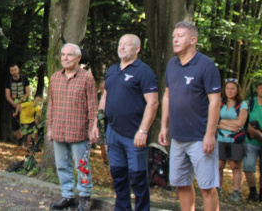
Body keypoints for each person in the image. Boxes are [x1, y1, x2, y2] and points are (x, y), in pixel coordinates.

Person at [158, 21, 221, 211]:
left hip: (200, 138)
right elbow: (167, 96)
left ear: (193, 40)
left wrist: (209, 134)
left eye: (180, 36)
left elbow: (215, 102)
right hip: (177, 137)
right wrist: (163, 126)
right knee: (182, 183)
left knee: (207, 186)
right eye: (173, 36)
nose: (175, 40)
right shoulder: (172, 64)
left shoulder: (206, 65)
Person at [99, 34, 159, 211]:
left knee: (138, 178)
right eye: (120, 44)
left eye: (127, 45)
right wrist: (98, 121)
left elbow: (153, 103)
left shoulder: (144, 72)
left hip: (135, 134)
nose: (122, 47)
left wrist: (143, 130)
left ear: (137, 49)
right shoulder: (112, 70)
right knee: (118, 175)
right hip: (113, 132)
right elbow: (105, 96)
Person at [47, 43, 99, 211]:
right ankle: (67, 194)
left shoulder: (87, 78)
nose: (66, 58)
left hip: (79, 130)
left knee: (82, 165)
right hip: (58, 129)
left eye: (70, 55)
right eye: (63, 54)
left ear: (78, 58)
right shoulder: (55, 77)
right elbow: (51, 104)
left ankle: (84, 196)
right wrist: (49, 127)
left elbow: (92, 105)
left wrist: (93, 127)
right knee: (62, 164)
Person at [217, 79, 248, 202]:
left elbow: (240, 123)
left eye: (233, 88)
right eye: (228, 88)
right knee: (219, 165)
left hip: (236, 140)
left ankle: (236, 192)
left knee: (235, 166)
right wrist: (229, 126)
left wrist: (223, 123)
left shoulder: (242, 104)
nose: (230, 91)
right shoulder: (220, 103)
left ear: (237, 90)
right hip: (221, 138)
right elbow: (215, 121)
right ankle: (217, 189)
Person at [244, 81, 262, 202]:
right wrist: (251, 130)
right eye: (260, 88)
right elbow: (243, 120)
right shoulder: (250, 103)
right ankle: (253, 192)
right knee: (248, 166)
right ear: (257, 89)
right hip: (251, 141)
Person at [5, 63, 31, 146]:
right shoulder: (8, 81)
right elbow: (7, 96)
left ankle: (29, 142)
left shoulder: (24, 79)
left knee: (27, 123)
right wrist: (14, 104)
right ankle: (20, 142)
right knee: (16, 124)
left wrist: (20, 103)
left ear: (18, 70)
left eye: (15, 70)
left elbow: (27, 93)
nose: (13, 72)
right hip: (13, 105)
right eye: (11, 70)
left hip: (24, 104)